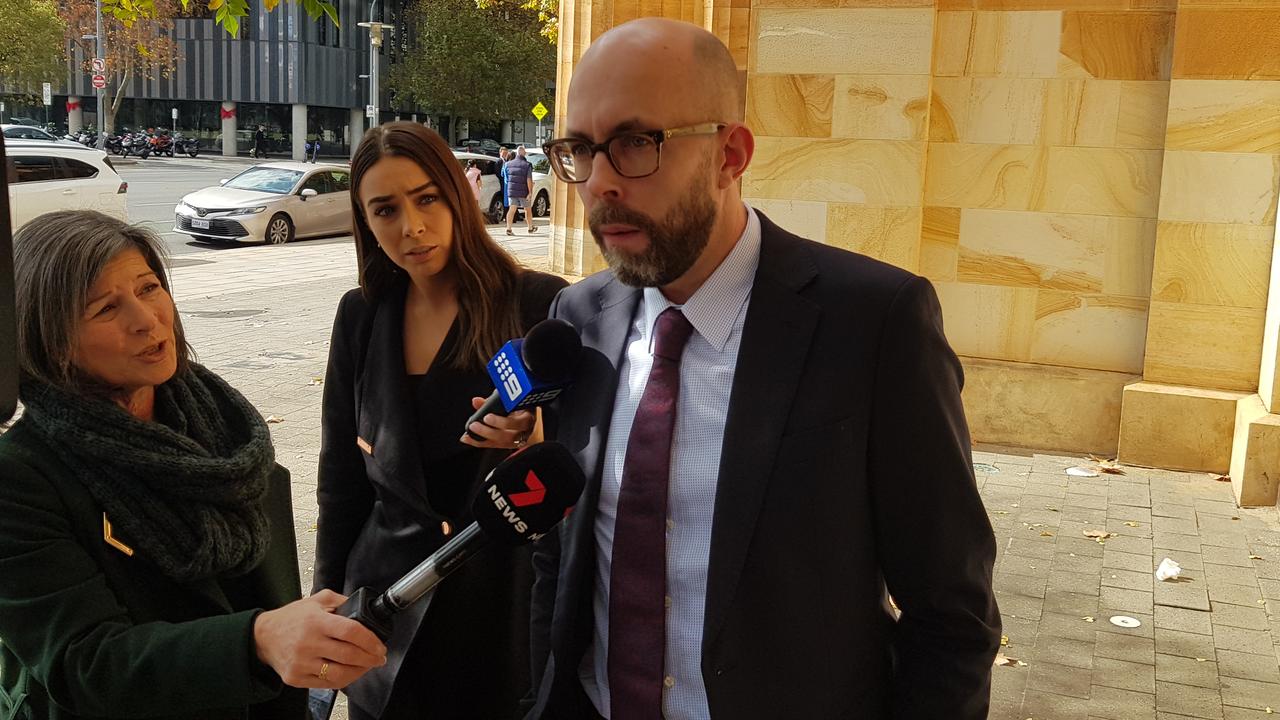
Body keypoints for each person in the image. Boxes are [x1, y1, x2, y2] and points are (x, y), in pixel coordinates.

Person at [526, 18, 1001, 720]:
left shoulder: (873, 324)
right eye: (580, 150)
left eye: (634, 144)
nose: (599, 184)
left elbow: (951, 615)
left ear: (730, 154)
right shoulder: (578, 319)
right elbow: (562, 558)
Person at [0, 210, 388, 719]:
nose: (146, 320)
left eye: (148, 288)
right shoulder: (22, 478)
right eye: (106, 309)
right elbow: (84, 663)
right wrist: (255, 642)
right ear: (51, 342)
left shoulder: (220, 422)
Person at [314, 122, 568, 719]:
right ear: (366, 223)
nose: (412, 227)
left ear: (458, 195)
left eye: (426, 198)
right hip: (389, 612)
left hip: (500, 609)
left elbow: (588, 455)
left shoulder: (538, 304)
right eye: (385, 210)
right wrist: (330, 606)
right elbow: (341, 479)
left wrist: (534, 437)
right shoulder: (362, 316)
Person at [504, 146, 536, 236]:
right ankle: (530, 228)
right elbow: (529, 179)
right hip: (523, 191)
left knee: (512, 209)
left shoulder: (508, 164)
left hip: (512, 191)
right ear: (524, 153)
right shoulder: (527, 165)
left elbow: (507, 177)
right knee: (527, 210)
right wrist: (530, 192)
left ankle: (508, 228)